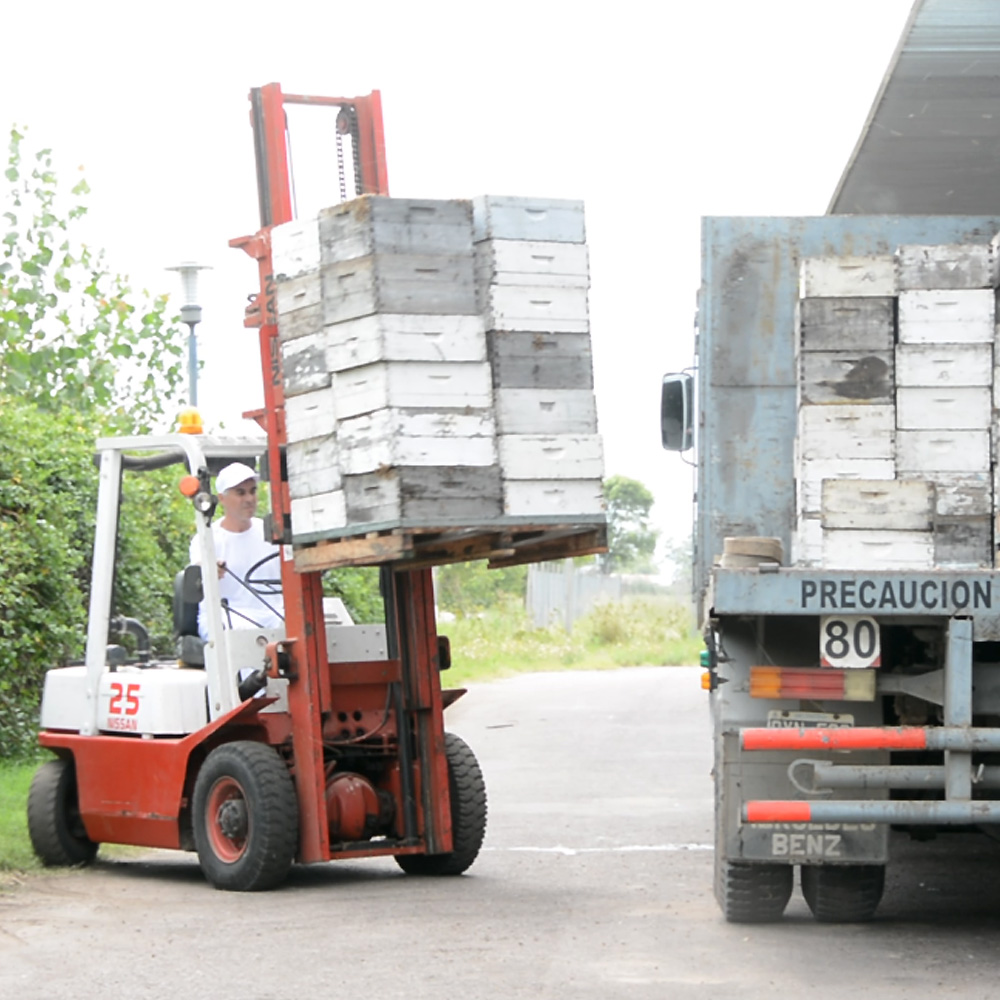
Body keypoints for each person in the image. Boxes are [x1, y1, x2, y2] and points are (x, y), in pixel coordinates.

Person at [188, 462, 285, 640]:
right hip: (227, 616)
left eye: (252, 491)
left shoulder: (273, 532)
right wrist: (209, 569)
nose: (249, 498)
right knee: (242, 637)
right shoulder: (207, 538)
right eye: (241, 493)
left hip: (273, 614)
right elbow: (198, 571)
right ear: (222, 498)